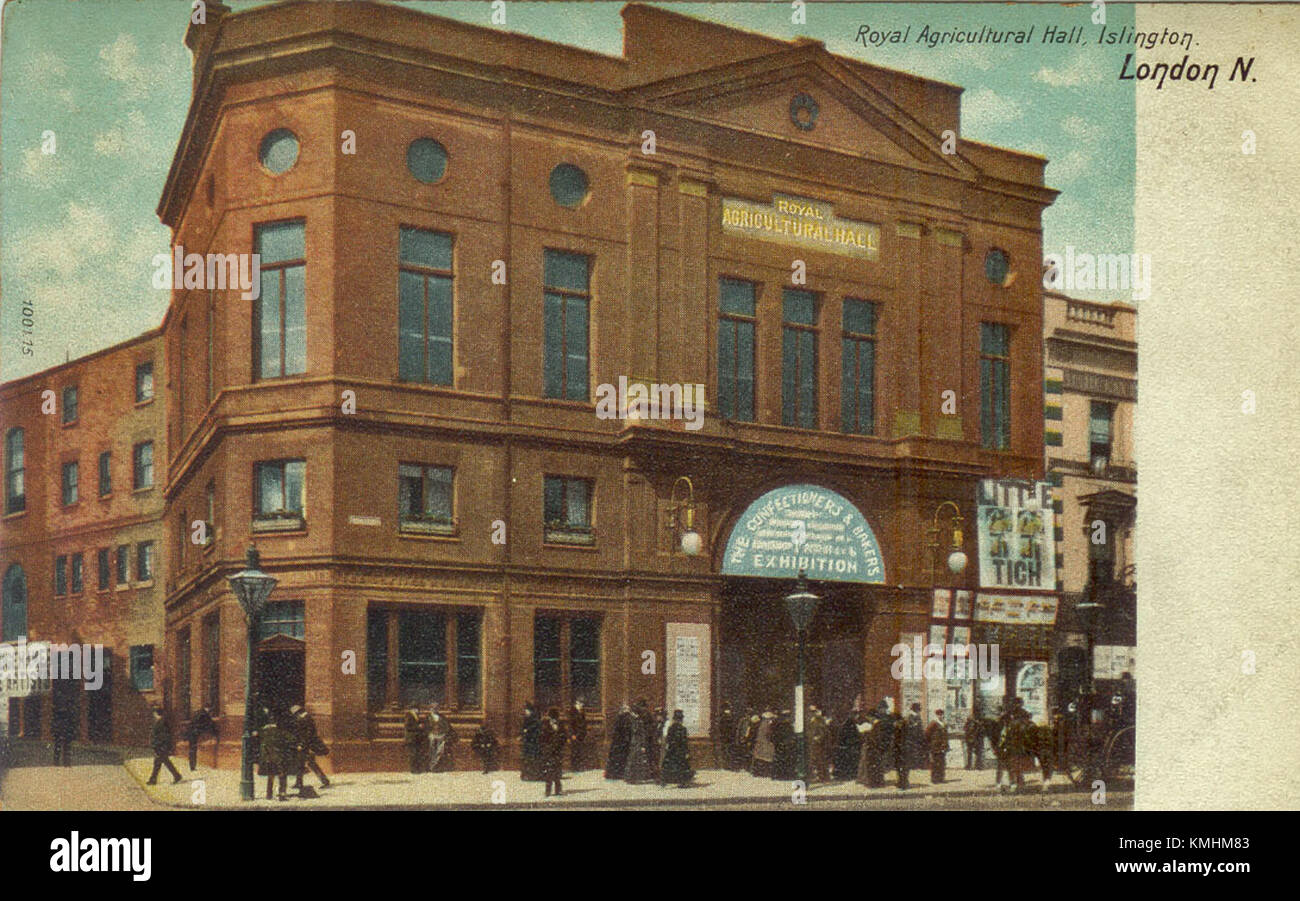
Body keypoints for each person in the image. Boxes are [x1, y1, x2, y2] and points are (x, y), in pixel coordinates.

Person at [290, 705, 330, 790]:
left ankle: (324, 781)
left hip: (307, 745)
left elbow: (308, 734)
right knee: (301, 763)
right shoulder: (304, 718)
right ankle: (299, 783)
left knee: (310, 763)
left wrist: (302, 744)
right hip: (305, 744)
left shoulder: (306, 719)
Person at [145, 706, 183, 786]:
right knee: (161, 762)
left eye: (154, 713)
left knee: (160, 762)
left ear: (156, 713)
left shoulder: (162, 722)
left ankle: (154, 779)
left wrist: (158, 744)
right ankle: (176, 776)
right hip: (160, 746)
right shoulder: (160, 721)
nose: (153, 715)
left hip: (161, 746)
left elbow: (164, 736)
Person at [258, 711, 289, 800]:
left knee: (270, 775)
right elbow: (288, 740)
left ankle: (269, 794)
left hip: (268, 757)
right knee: (282, 774)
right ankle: (282, 793)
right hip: (279, 756)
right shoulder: (280, 731)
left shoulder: (263, 731)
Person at [660, 710, 695, 787]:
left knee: (668, 766)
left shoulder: (670, 728)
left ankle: (665, 781)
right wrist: (687, 752)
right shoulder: (683, 729)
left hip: (671, 750)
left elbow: (668, 739)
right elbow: (684, 742)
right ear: (681, 719)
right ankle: (683, 782)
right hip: (680, 751)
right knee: (682, 766)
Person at [856, 703, 888, 788]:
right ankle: (873, 781)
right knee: (874, 766)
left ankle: (874, 783)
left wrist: (867, 734)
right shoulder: (875, 724)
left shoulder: (877, 725)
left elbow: (876, 737)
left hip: (874, 748)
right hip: (873, 748)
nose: (868, 719)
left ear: (872, 717)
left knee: (873, 766)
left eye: (869, 717)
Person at [896, 703, 925, 790]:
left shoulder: (908, 718)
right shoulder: (912, 718)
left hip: (905, 745)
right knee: (905, 765)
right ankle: (903, 783)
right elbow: (916, 732)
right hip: (908, 745)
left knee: (903, 765)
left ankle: (902, 782)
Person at [540, 707, 568, 796]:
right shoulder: (546, 726)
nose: (553, 720)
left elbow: (564, 737)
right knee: (549, 772)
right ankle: (548, 791)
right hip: (549, 752)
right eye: (552, 718)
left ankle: (558, 790)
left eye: (555, 718)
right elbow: (543, 739)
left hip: (557, 752)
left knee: (557, 771)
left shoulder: (561, 726)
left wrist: (560, 745)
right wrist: (546, 749)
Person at [624, 700, 653, 784]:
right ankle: (632, 778)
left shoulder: (633, 721)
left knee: (634, 760)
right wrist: (643, 745)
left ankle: (631, 777)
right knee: (635, 760)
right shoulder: (638, 722)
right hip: (637, 743)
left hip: (634, 743)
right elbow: (641, 734)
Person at [184, 706, 218, 772]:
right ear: (207, 709)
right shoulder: (204, 714)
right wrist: (215, 733)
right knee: (193, 750)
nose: (210, 712)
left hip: (191, 733)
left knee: (192, 750)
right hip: (194, 733)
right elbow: (209, 723)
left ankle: (192, 766)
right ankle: (193, 766)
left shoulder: (199, 712)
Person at [604, 703, 633, 779]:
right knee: (621, 758)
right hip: (622, 742)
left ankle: (614, 773)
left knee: (616, 758)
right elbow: (627, 731)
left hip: (617, 742)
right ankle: (619, 773)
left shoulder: (619, 718)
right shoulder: (626, 719)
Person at [832, 708, 862, 780]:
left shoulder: (846, 724)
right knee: (849, 761)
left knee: (845, 762)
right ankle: (848, 775)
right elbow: (853, 735)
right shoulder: (850, 724)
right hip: (848, 746)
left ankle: (843, 775)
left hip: (844, 746)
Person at [427, 703, 456, 772]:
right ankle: (432, 766)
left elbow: (446, 726)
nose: (434, 710)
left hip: (441, 735)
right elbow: (426, 727)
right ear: (430, 709)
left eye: (436, 708)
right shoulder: (428, 717)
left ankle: (436, 765)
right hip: (432, 735)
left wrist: (444, 734)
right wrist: (429, 734)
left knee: (440, 751)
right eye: (433, 708)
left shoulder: (442, 717)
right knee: (432, 750)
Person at [403, 703, 429, 774]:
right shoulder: (409, 715)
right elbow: (408, 726)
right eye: (417, 709)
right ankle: (413, 769)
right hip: (411, 738)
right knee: (413, 754)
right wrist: (418, 727)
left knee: (416, 754)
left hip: (416, 738)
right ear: (413, 709)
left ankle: (416, 769)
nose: (418, 711)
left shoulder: (415, 715)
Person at [520, 702, 543, 781]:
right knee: (527, 758)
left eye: (527, 710)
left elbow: (537, 728)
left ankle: (532, 775)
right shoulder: (526, 718)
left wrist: (527, 730)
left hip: (533, 742)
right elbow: (523, 728)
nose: (525, 712)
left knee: (532, 758)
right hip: (527, 742)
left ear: (531, 711)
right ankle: (526, 774)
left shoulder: (534, 719)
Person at [770, 710, 796, 780]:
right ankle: (782, 775)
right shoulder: (786, 725)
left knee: (780, 760)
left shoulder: (779, 724)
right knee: (784, 760)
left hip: (780, 744)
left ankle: (777, 775)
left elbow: (774, 735)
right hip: (784, 745)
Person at [807, 706, 830, 783]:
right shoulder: (809, 720)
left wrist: (818, 738)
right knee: (813, 760)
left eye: (814, 711)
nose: (812, 713)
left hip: (818, 744)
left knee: (820, 760)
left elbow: (824, 732)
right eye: (811, 711)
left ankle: (823, 777)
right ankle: (815, 776)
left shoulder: (819, 720)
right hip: (811, 743)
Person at [750, 710, 776, 777]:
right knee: (765, 759)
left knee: (759, 757)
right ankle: (763, 773)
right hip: (765, 743)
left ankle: (757, 772)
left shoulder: (761, 724)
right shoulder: (767, 725)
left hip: (760, 742)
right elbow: (768, 734)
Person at [51, 700, 76, 768]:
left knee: (58, 747)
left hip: (60, 731)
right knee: (66, 747)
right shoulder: (69, 714)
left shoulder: (57, 714)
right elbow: (72, 723)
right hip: (66, 731)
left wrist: (55, 730)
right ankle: (66, 762)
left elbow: (54, 723)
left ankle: (57, 762)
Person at [926, 709, 948, 784]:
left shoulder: (944, 724)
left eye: (942, 714)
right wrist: (931, 743)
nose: (940, 716)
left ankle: (941, 778)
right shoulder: (933, 723)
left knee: (942, 763)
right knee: (935, 763)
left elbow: (946, 736)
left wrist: (946, 745)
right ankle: (934, 779)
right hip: (935, 746)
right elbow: (927, 734)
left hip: (943, 746)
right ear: (936, 715)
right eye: (939, 714)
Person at [567, 701, 588, 772]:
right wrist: (572, 734)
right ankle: (574, 767)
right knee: (574, 751)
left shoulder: (582, 712)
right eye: (580, 704)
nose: (581, 706)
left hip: (580, 734)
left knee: (579, 750)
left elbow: (584, 723)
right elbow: (570, 724)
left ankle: (579, 766)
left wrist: (584, 732)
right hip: (575, 735)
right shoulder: (572, 712)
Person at [717, 702, 736, 770]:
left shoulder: (723, 715)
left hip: (725, 736)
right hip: (730, 736)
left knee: (725, 751)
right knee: (729, 751)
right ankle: (729, 765)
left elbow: (721, 726)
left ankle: (725, 765)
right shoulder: (730, 715)